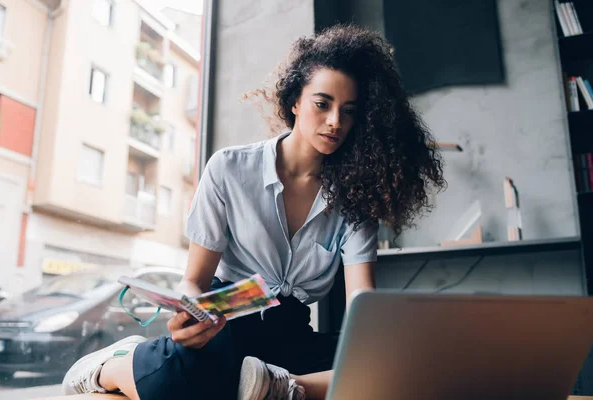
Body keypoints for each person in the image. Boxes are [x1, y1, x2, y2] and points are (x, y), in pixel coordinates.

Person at [61, 24, 445, 400]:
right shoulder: (229, 169)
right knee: (175, 384)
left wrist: (378, 350)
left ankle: (282, 386)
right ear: (295, 101)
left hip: (290, 335)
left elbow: (363, 304)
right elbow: (194, 280)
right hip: (224, 322)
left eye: (349, 111)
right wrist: (191, 319)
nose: (335, 122)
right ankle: (110, 365)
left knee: (400, 365)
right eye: (322, 104)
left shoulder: (358, 197)